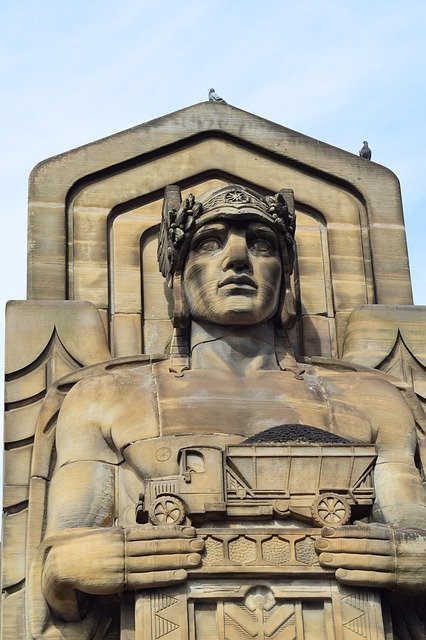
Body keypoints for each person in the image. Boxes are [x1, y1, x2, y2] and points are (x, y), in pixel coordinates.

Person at [31, 184, 425, 639]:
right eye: (210, 242)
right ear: (177, 277)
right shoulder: (105, 395)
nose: (238, 258)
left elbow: (414, 533)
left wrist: (400, 558)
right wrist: (99, 559)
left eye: (261, 244)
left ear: (286, 277)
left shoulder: (370, 397)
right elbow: (59, 558)